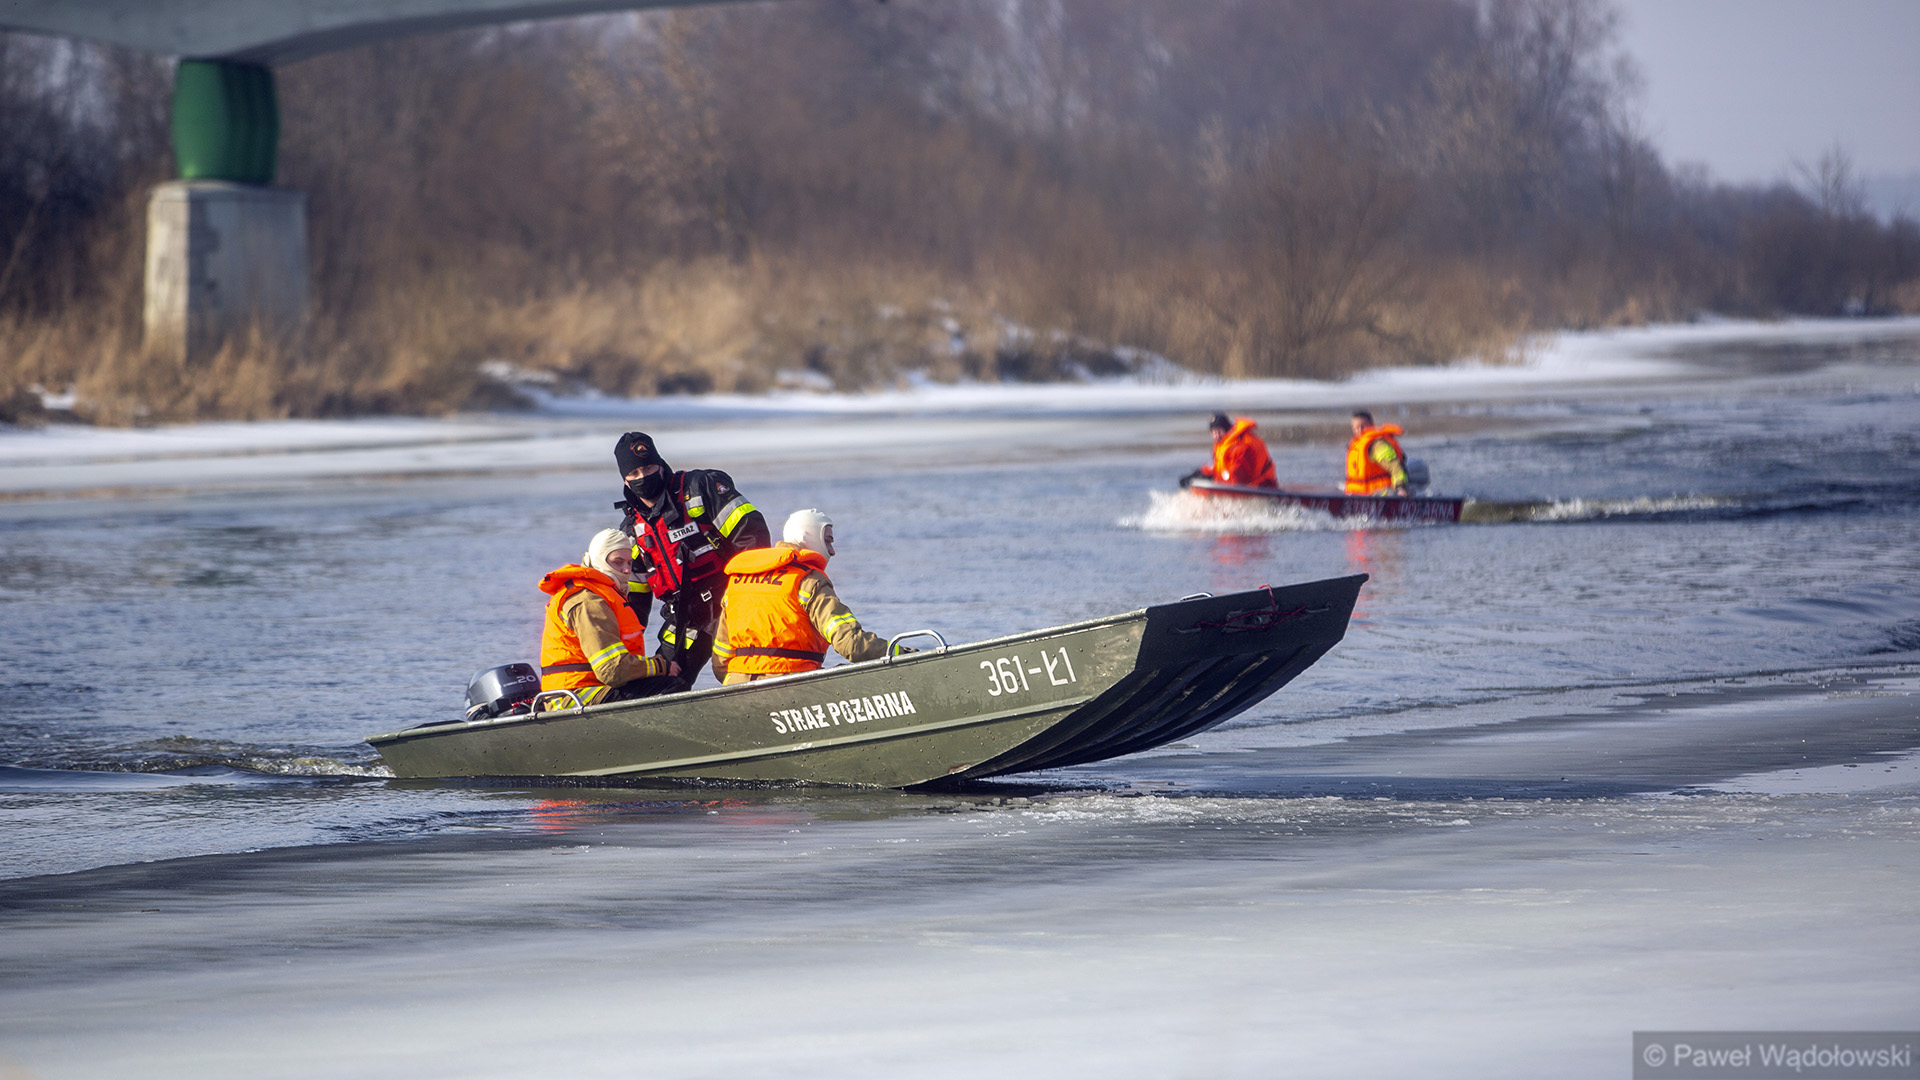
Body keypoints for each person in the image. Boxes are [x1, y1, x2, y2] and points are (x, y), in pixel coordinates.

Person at [613, 431, 772, 691]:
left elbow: (752, 535)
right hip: (685, 617)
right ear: (625, 479)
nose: (643, 477)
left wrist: (747, 596)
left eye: (649, 467)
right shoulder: (632, 530)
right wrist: (624, 652)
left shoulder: (701, 487)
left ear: (661, 465)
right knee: (660, 685)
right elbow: (636, 601)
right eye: (635, 474)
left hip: (733, 603)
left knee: (754, 674)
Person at [711, 509, 910, 684]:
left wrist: (741, 683)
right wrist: (905, 656)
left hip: (736, 688)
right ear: (807, 537)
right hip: (793, 687)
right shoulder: (808, 580)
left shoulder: (738, 583)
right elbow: (851, 644)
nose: (832, 551)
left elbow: (720, 662)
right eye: (828, 541)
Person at [538, 528, 681, 707]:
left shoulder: (600, 594)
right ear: (598, 560)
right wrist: (661, 667)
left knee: (663, 684)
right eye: (618, 562)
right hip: (572, 697)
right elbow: (611, 670)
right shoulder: (587, 601)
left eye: (629, 563)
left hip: (592, 688)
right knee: (670, 687)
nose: (627, 570)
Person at [1183, 412, 1278, 489]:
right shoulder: (1222, 446)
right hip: (1241, 486)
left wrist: (1213, 478)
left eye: (1219, 431)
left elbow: (1237, 478)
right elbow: (1219, 469)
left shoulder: (1241, 446)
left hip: (1262, 487)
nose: (1216, 436)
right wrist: (1198, 474)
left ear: (1227, 430)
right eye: (1213, 432)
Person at [1345, 410, 1410, 496]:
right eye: (1356, 428)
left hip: (1380, 494)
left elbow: (1395, 466)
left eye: (1363, 426)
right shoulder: (1356, 445)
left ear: (1371, 424)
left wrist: (1401, 488)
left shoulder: (1377, 444)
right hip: (1358, 495)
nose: (1359, 430)